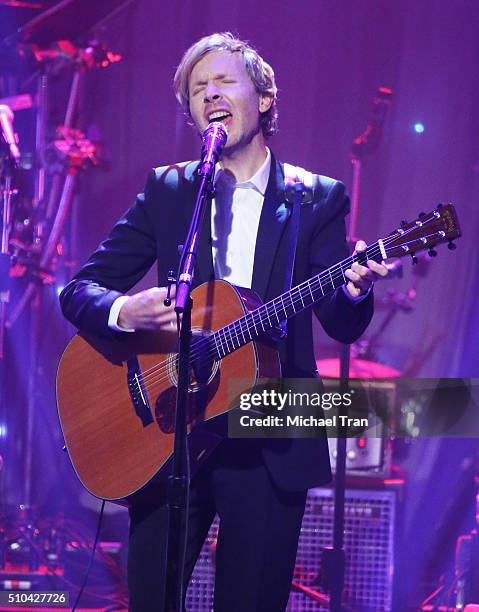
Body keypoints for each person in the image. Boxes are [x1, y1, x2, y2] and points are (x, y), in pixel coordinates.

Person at [60, 32, 388, 612]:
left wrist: (355, 289)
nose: (209, 94)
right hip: (168, 428)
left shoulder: (318, 198)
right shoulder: (168, 190)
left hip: (271, 423)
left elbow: (339, 322)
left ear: (263, 98)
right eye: (196, 88)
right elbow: (78, 290)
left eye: (223, 81)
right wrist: (123, 309)